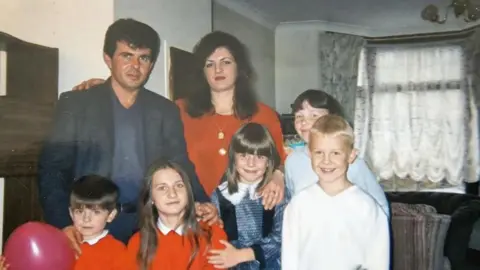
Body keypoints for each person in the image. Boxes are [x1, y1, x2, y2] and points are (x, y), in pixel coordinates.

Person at [38, 18, 217, 252]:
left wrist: (202, 202)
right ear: (108, 58)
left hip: (149, 226)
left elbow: (179, 164)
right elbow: (52, 169)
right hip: (91, 227)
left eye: (143, 58)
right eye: (126, 56)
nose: (135, 66)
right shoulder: (77, 104)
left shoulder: (165, 110)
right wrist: (63, 223)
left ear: (151, 64)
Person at [72, 31, 286, 211]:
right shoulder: (178, 110)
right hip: (194, 212)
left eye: (226, 62)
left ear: (240, 68)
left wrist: (278, 176)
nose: (218, 70)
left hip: (248, 213)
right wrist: (101, 88)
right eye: (209, 64)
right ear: (202, 72)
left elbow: (280, 160)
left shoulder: (264, 115)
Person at [282, 115, 390, 270]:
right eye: (319, 152)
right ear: (310, 155)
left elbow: (378, 262)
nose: (326, 160)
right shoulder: (298, 205)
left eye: (336, 153)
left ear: (351, 155)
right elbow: (289, 260)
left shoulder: (367, 207)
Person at [285, 89, 390, 216]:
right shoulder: (292, 161)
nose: (304, 122)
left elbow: (380, 207)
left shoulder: (352, 162)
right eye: (299, 116)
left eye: (314, 115)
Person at [209, 123, 286, 269]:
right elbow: (213, 237)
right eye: (244, 156)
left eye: (260, 157)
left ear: (269, 161)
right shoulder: (220, 195)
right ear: (233, 158)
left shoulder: (277, 193)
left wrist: (241, 255)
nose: (251, 163)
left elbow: (282, 238)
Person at [126, 159, 227, 269]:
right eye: (162, 188)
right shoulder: (137, 243)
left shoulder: (212, 234)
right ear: (151, 198)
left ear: (188, 192)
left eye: (179, 185)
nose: (172, 194)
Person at [69, 175, 130, 270]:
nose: (86, 219)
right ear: (71, 213)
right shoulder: (64, 243)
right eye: (79, 211)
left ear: (111, 215)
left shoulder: (116, 250)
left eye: (96, 212)